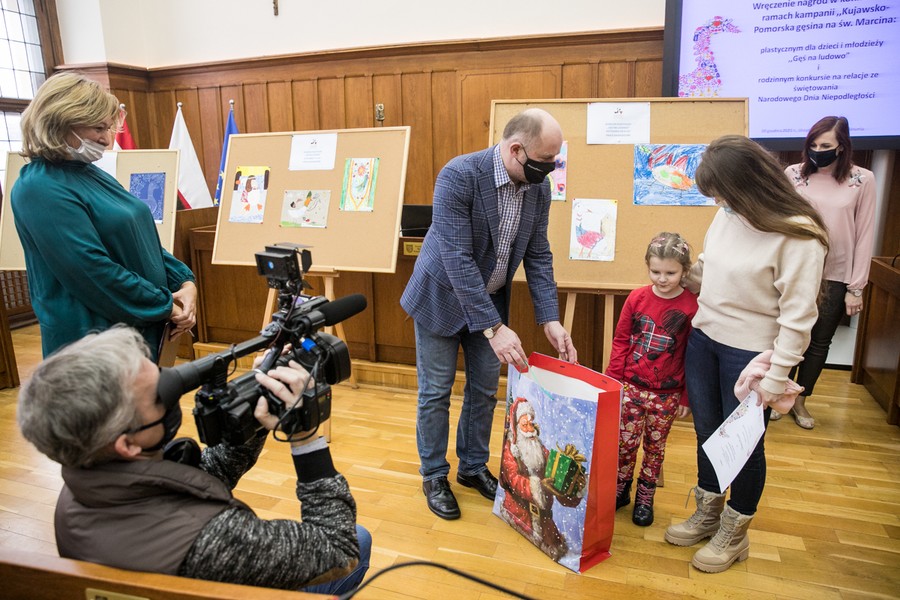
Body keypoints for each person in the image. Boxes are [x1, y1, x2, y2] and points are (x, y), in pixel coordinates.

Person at [16, 326, 370, 595]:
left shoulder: (84, 483)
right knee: (359, 537)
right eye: (161, 394)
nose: (173, 395)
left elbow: (205, 479)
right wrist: (305, 439)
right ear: (127, 443)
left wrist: (257, 395)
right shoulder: (212, 540)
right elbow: (338, 549)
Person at [400, 108, 578, 520]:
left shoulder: (538, 190)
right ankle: (434, 474)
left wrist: (549, 317)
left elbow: (538, 253)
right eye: (542, 163)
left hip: (491, 300)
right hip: (441, 299)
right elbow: (458, 259)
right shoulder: (458, 176)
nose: (548, 172)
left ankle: (473, 466)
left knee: (483, 390)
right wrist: (495, 328)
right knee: (435, 392)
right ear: (516, 150)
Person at [664, 135, 828, 573]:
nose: (717, 201)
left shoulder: (799, 234)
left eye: (721, 192)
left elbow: (798, 317)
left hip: (752, 354)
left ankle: (735, 534)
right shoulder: (727, 214)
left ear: (749, 185)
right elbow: (712, 274)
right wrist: (683, 271)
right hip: (705, 339)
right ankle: (708, 512)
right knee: (707, 434)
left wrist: (777, 377)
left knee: (744, 446)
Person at [11, 72, 196, 361]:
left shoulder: (89, 172)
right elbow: (90, 270)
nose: (107, 139)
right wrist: (166, 305)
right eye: (98, 127)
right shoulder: (39, 186)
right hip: (94, 343)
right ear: (60, 121)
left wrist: (185, 283)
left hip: (137, 327)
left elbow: (139, 240)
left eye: (109, 127)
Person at [776, 116, 876, 429]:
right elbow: (778, 220)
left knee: (819, 342)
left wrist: (856, 287)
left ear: (842, 147)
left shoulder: (863, 179)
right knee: (787, 334)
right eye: (813, 145)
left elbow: (865, 233)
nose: (818, 151)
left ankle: (801, 401)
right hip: (794, 270)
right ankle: (779, 393)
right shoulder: (793, 174)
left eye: (826, 146)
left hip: (836, 275)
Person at [605, 232, 698, 527]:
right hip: (630, 389)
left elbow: (691, 356)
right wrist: (612, 382)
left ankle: (646, 496)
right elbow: (620, 340)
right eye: (655, 271)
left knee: (655, 448)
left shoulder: (692, 306)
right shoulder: (637, 298)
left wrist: (685, 396)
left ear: (684, 271)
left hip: (667, 395)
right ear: (647, 266)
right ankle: (621, 489)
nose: (662, 278)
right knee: (624, 444)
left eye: (670, 273)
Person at [498, 397, 569, 561]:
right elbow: (514, 479)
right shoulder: (511, 450)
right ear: (516, 427)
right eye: (524, 425)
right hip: (519, 512)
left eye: (531, 424)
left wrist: (565, 473)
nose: (529, 429)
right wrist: (539, 487)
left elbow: (552, 468)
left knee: (558, 550)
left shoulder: (539, 447)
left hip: (544, 519)